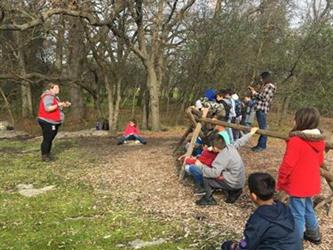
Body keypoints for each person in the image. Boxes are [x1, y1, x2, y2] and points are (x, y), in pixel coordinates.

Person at [276, 107, 325, 245]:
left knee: (297, 213)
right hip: (311, 182)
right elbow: (320, 161)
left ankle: (295, 241)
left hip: (298, 184)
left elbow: (287, 165)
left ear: (300, 121)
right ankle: (314, 235)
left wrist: (281, 181)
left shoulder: (296, 141)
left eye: (295, 118)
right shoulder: (319, 140)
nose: (293, 120)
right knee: (308, 208)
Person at [221, 173, 301, 250]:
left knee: (227, 246)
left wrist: (232, 246)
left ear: (253, 196)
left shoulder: (259, 219)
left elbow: (247, 246)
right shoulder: (284, 208)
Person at [195, 127, 259, 205]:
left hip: (233, 183)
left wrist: (201, 166)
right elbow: (240, 141)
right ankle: (234, 192)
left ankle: (209, 199)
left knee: (206, 177)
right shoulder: (230, 146)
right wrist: (251, 133)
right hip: (239, 180)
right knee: (222, 172)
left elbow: (214, 173)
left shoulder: (221, 157)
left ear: (215, 147)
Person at [183, 130, 230, 195]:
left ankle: (200, 187)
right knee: (192, 166)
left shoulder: (214, 153)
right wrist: (195, 158)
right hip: (209, 170)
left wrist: (188, 160)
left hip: (211, 172)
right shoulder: (209, 151)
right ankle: (204, 185)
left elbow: (204, 162)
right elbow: (202, 159)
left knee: (192, 168)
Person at [37, 83, 71, 162]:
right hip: (47, 121)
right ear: (51, 89)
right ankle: (45, 156)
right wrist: (59, 104)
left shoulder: (55, 97)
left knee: (50, 138)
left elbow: (57, 108)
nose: (58, 89)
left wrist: (63, 104)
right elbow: (48, 108)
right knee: (48, 138)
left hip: (53, 121)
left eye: (58, 88)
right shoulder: (48, 96)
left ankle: (47, 154)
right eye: (56, 88)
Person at [249, 71, 276, 152]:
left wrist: (254, 93)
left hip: (262, 108)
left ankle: (262, 145)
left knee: (263, 128)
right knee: (262, 127)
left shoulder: (270, 86)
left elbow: (263, 98)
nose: (261, 80)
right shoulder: (266, 86)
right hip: (260, 108)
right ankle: (260, 144)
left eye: (262, 78)